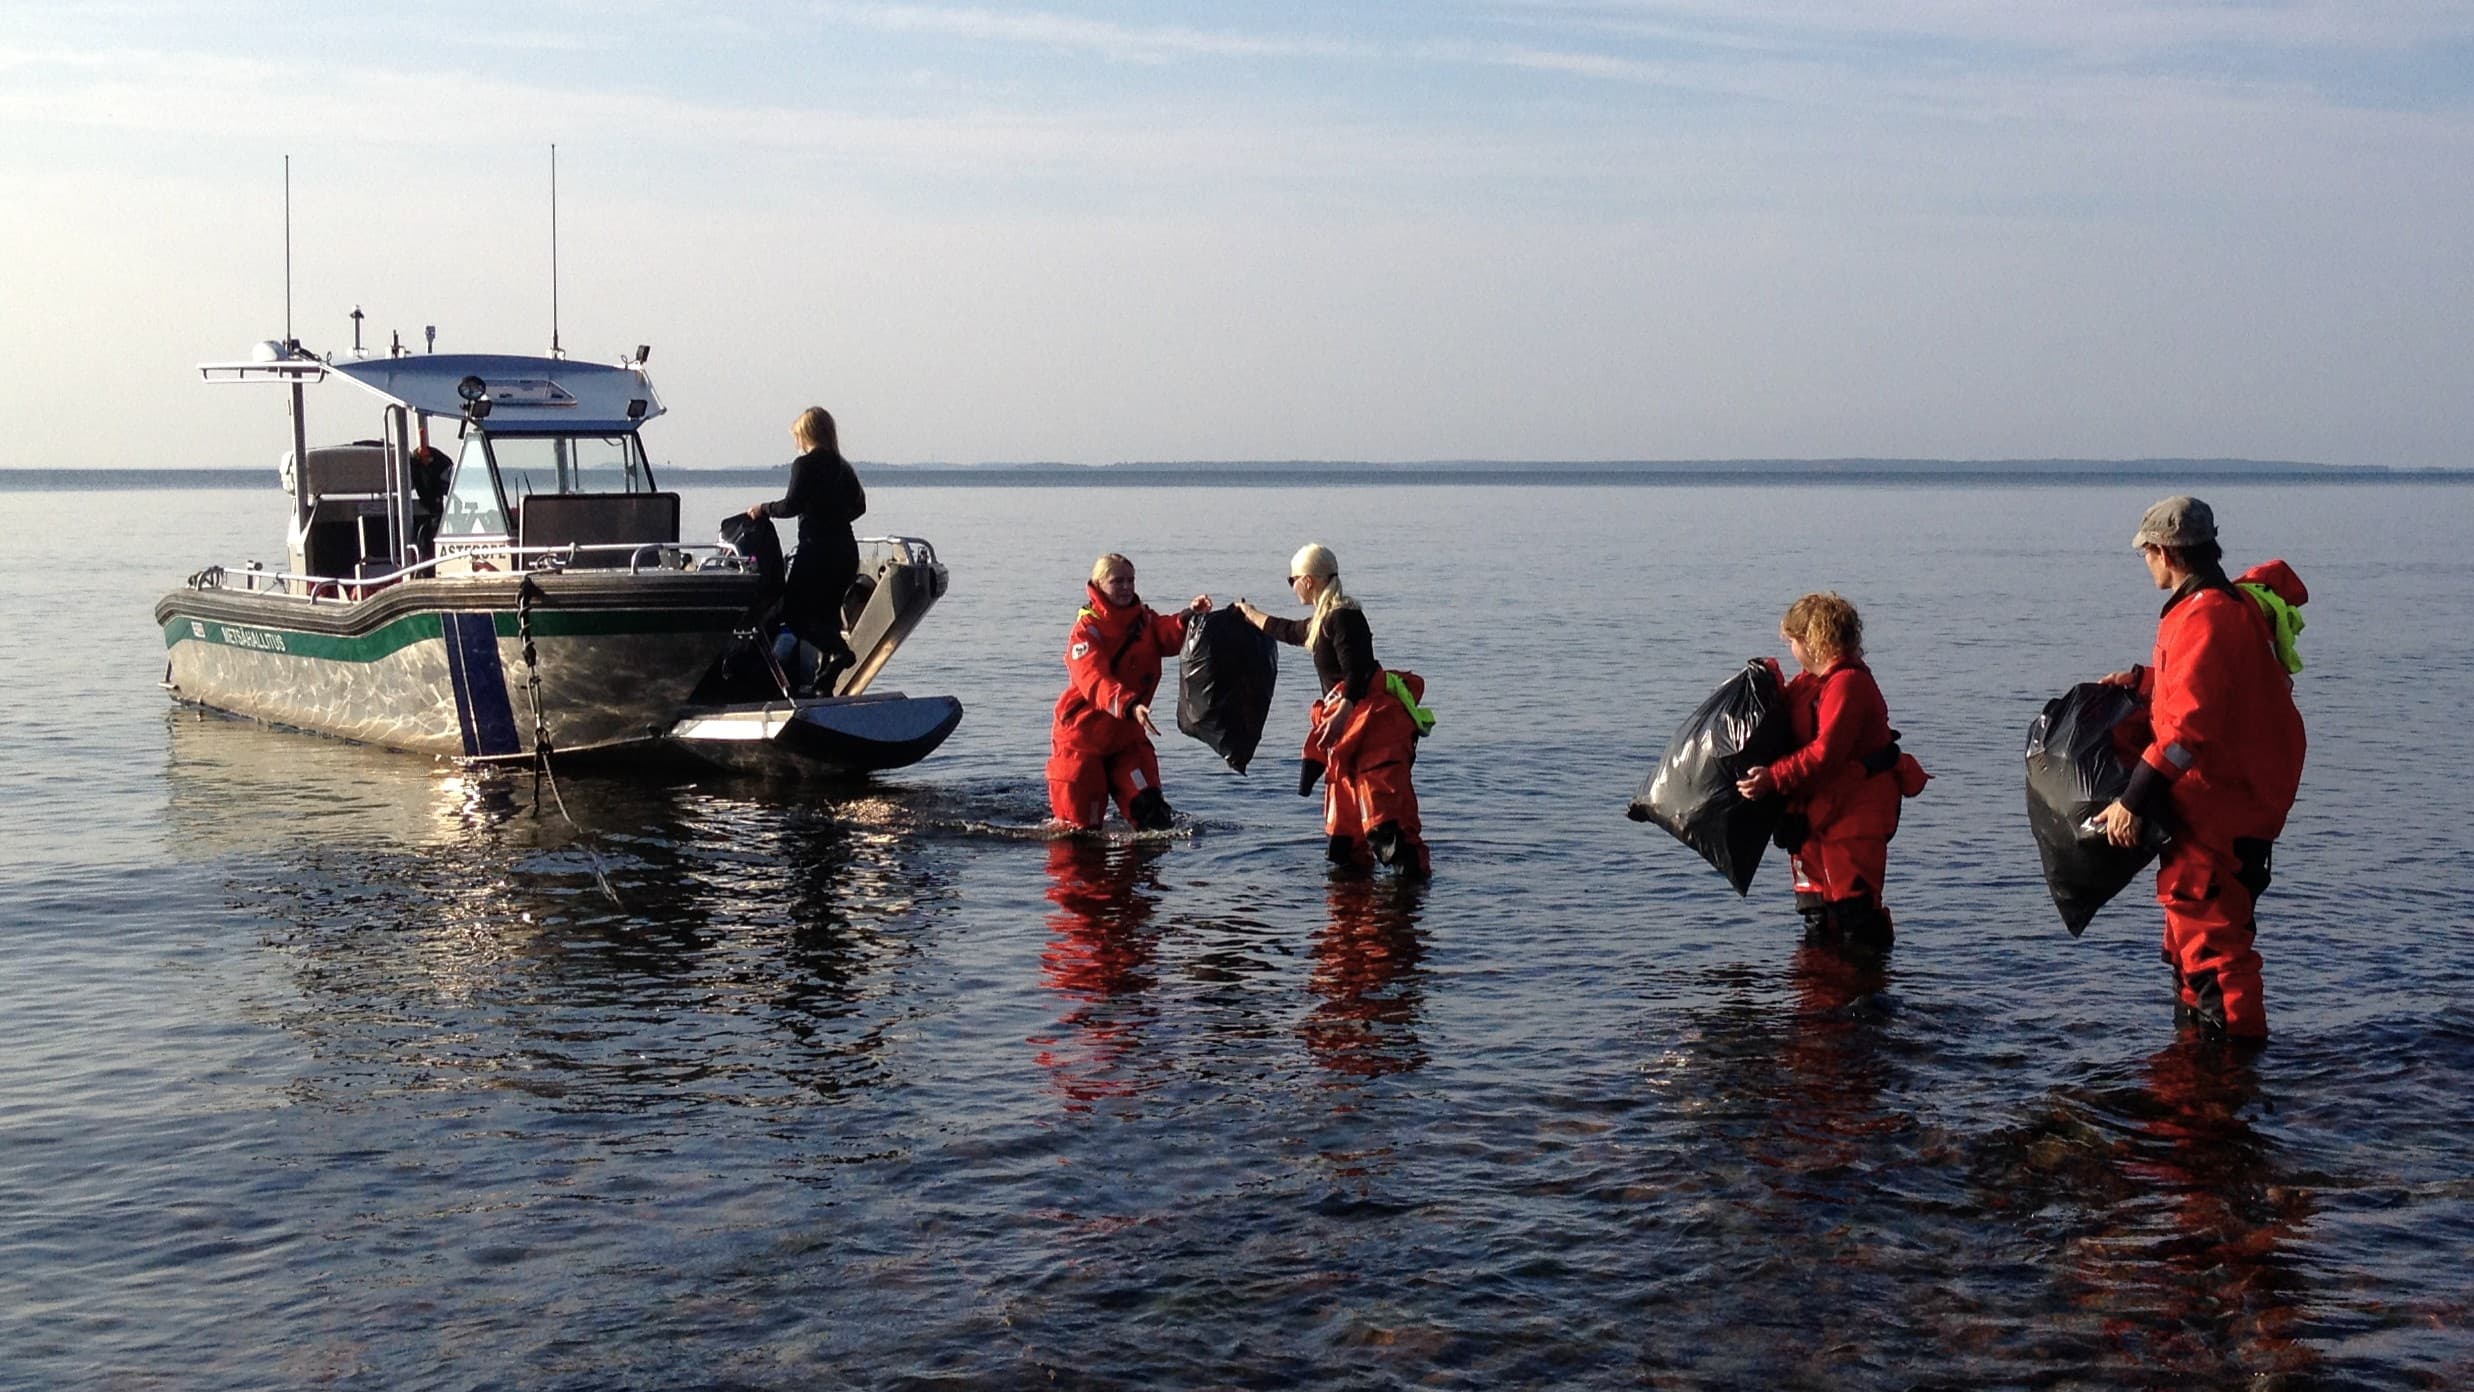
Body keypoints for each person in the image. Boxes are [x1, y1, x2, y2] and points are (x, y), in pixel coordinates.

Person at [2092, 496, 2307, 1041]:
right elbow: (2210, 690)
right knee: (2191, 943)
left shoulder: (2204, 618)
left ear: (2165, 552)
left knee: (2215, 949)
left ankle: (2229, 1081)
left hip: (2221, 813)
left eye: (2146, 555)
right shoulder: (2230, 607)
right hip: (2236, 805)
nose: (2147, 564)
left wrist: (2130, 802)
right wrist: (2142, 682)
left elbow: (2188, 734)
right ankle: (2196, 1072)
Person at [1735, 593, 1928, 958]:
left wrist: (1772, 779)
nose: (1791, 648)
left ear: (1813, 640)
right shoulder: (1811, 683)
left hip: (1854, 816)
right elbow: (1781, 711)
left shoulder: (1848, 685)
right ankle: (1820, 1002)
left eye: (1793, 641)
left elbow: (1826, 754)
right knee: (1818, 917)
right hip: (1816, 816)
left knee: (1855, 914)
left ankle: (1866, 999)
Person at [1233, 543, 1433, 877]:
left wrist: (1341, 714)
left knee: (1386, 827)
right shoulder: (1323, 620)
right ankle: (1355, 905)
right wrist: (1249, 613)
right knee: (1344, 838)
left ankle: (1406, 904)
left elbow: (1357, 672)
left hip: (1374, 728)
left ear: (1308, 581)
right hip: (1353, 729)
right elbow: (1289, 630)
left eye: (1291, 579)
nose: (1292, 585)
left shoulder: (1345, 616)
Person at [1047, 553, 1211, 833]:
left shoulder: (1143, 620)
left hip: (1126, 741)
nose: (1126, 587)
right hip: (1083, 742)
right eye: (1117, 581)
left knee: (1155, 819)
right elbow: (1094, 680)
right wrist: (1130, 704)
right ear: (1099, 584)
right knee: (1079, 834)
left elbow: (1167, 634)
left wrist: (1188, 616)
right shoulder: (1086, 633)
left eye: (1130, 580)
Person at [744, 407, 866, 694]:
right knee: (827, 617)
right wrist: (833, 516)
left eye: (797, 436)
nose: (795, 442)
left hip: (817, 552)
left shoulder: (805, 465)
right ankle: (825, 684)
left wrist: (762, 509)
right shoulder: (843, 467)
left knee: (793, 614)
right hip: (845, 552)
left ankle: (839, 652)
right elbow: (860, 506)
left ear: (805, 434)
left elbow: (791, 505)